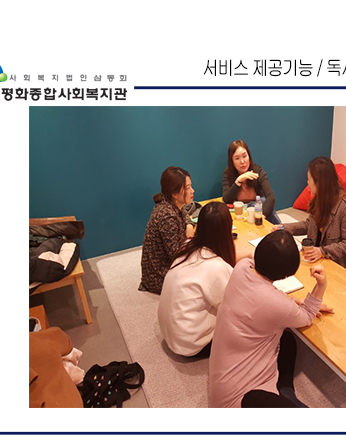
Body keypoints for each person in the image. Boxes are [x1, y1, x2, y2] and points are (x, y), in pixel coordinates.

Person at [209, 230, 332, 408]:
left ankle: (286, 391)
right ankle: (286, 393)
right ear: (286, 274)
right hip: (241, 398)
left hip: (222, 380)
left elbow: (262, 298)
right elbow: (307, 317)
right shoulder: (277, 304)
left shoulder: (242, 267)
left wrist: (290, 301)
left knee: (287, 339)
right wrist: (321, 285)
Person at [158, 202, 237, 358]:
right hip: (191, 344)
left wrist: (246, 257)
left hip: (170, 333)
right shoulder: (216, 267)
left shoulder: (187, 247)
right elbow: (234, 306)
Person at [275, 156, 346, 277]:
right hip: (317, 261)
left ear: (319, 183)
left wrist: (322, 251)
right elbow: (308, 224)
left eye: (309, 179)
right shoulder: (320, 199)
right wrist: (284, 228)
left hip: (340, 269)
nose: (307, 183)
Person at [139, 166, 195, 295]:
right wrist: (193, 241)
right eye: (187, 188)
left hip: (165, 266)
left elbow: (185, 214)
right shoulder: (167, 216)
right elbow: (178, 256)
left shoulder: (171, 203)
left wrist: (189, 225)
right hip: (159, 276)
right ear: (174, 193)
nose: (192, 190)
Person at [222, 139, 282, 225]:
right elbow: (227, 199)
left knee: (263, 201)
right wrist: (239, 181)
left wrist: (261, 215)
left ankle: (279, 228)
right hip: (240, 211)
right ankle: (280, 228)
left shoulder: (258, 171)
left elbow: (271, 197)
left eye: (244, 156)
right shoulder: (228, 173)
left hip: (257, 208)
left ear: (249, 156)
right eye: (237, 158)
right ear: (232, 161)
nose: (242, 161)